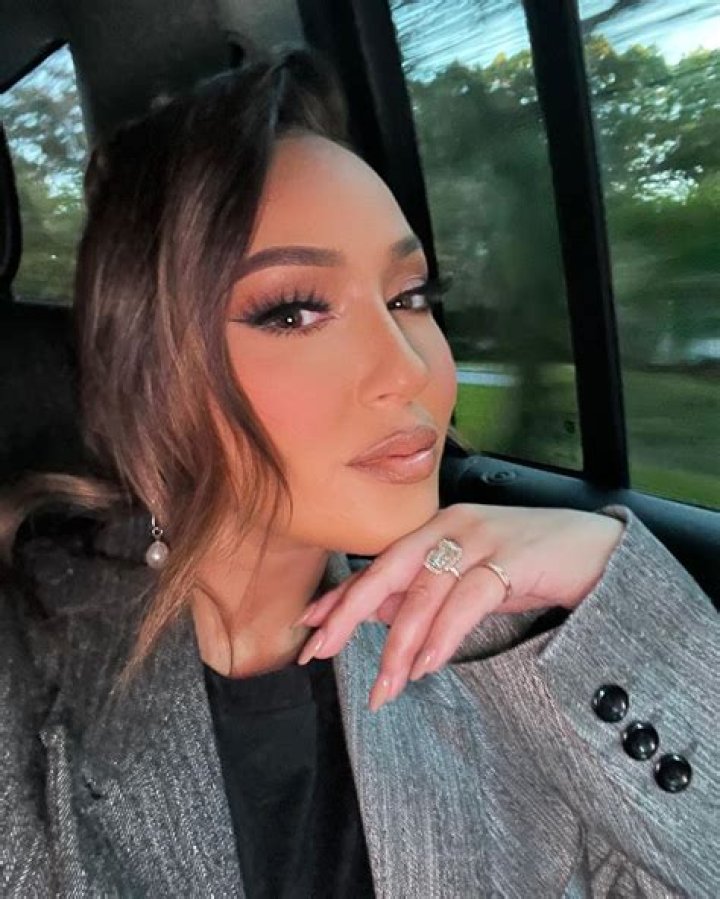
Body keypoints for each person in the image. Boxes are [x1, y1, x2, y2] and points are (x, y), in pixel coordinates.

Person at [0, 50, 717, 899]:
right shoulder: (27, 676)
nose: (410, 368)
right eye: (294, 311)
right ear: (152, 371)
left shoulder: (506, 643)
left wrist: (608, 584)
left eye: (410, 296)